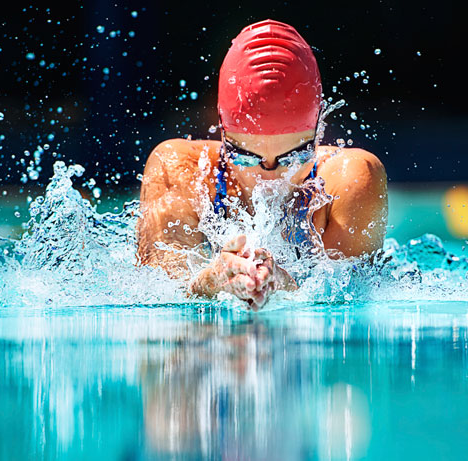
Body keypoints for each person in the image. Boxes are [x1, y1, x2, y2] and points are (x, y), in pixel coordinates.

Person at [137, 19, 387, 310]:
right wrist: (208, 281)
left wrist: (285, 284)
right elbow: (158, 305)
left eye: (294, 157)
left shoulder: (352, 179)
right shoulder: (179, 169)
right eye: (246, 157)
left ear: (319, 132)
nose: (269, 177)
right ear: (222, 133)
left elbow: (347, 304)